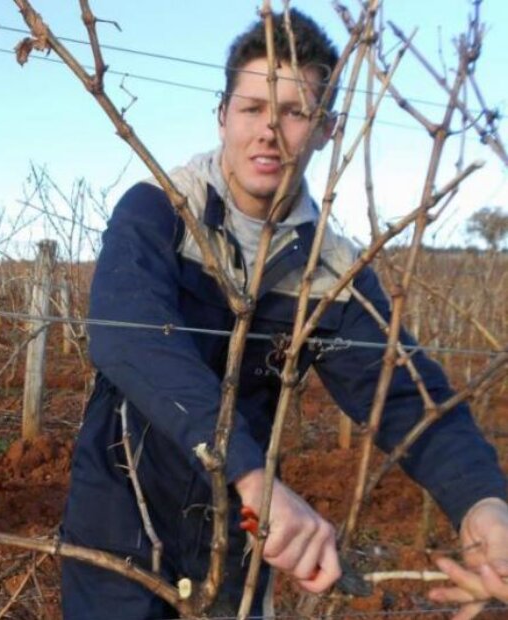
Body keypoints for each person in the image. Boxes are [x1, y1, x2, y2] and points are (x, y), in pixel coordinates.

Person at [60, 9, 508, 619]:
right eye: (251, 109)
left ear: (327, 129)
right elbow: (128, 340)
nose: (269, 131)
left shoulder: (329, 272)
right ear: (222, 116)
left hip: (243, 538)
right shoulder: (158, 211)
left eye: (296, 113)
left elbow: (405, 398)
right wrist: (251, 475)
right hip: (120, 523)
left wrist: (483, 503)